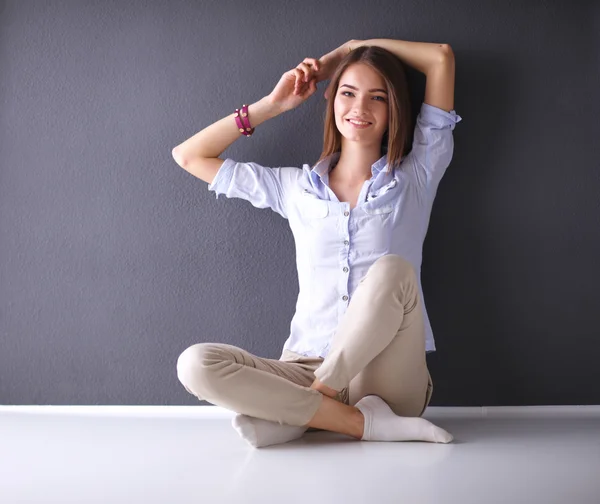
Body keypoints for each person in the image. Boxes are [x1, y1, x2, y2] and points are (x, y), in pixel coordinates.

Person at [172, 39, 463, 448]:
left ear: (394, 107)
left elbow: (440, 58)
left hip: (388, 375)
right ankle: (356, 423)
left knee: (393, 270)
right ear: (331, 99)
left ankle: (304, 412)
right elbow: (189, 155)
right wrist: (275, 105)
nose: (359, 108)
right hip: (304, 364)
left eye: (377, 97)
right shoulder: (294, 188)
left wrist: (348, 50)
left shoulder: (416, 176)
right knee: (196, 365)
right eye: (347, 92)